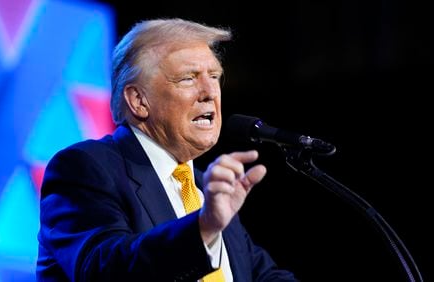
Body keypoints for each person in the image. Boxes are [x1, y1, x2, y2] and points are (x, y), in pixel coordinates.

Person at [36, 18, 298, 281]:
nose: (210, 92)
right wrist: (203, 228)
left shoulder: (206, 189)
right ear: (139, 101)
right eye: (188, 78)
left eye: (214, 76)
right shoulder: (84, 168)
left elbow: (265, 275)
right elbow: (104, 269)